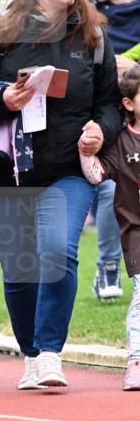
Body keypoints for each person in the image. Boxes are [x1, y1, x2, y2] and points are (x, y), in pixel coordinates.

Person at [0, 0, 121, 390]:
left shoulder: (93, 36)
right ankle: (29, 354)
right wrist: (2, 98)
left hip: (66, 168)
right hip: (5, 172)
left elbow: (108, 104)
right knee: (20, 270)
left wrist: (100, 130)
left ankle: (48, 353)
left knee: (58, 250)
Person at [83, 0, 140, 301]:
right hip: (104, 112)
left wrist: (134, 68)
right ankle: (107, 266)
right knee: (108, 189)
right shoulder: (89, 13)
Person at [79, 63, 140, 390]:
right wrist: (85, 150)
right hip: (137, 234)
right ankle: (136, 360)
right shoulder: (121, 143)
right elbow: (96, 175)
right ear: (129, 103)